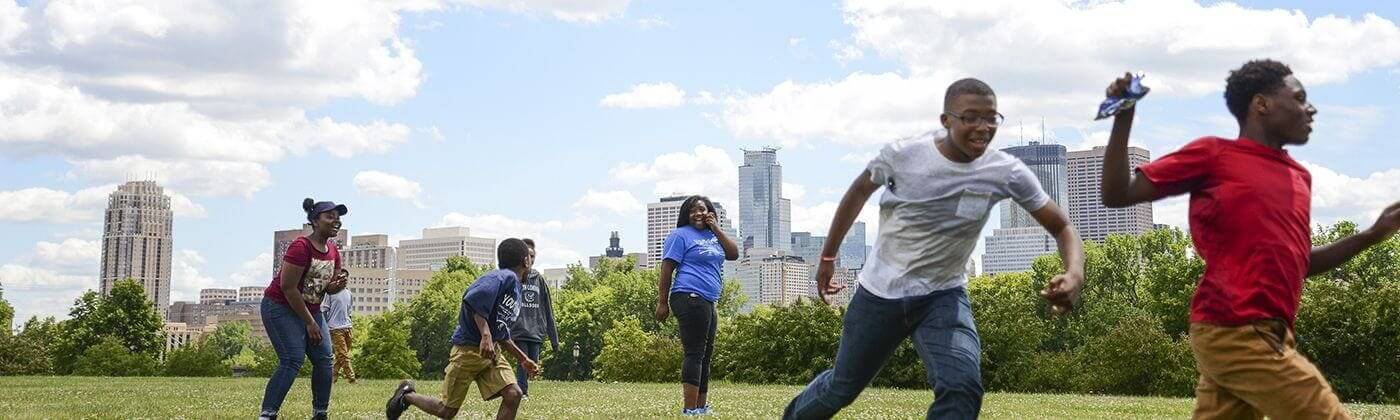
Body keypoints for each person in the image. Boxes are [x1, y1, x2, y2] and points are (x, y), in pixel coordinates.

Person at [1099, 59, 1400, 420]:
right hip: (1234, 328)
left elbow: (1298, 262)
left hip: (1271, 330)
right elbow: (1117, 193)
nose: (1311, 108)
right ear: (1261, 104)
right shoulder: (1214, 155)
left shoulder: (1299, 177)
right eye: (1300, 98)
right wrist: (1124, 118)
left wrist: (1371, 235)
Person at [784, 78, 1085, 420]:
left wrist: (1075, 273)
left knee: (962, 385)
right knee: (841, 388)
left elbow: (1062, 226)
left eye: (991, 118)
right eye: (970, 117)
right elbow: (858, 192)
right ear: (946, 120)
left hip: (942, 297)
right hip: (880, 295)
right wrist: (828, 257)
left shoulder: (1005, 172)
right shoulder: (904, 155)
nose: (983, 127)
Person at [386, 238, 541, 420]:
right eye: (530, 258)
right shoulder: (503, 277)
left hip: (491, 354)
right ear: (525, 261)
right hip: (467, 352)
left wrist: (523, 359)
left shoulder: (514, 287)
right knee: (446, 411)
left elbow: (501, 332)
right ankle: (407, 395)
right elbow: (474, 298)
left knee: (514, 394)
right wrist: (485, 335)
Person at [259, 198, 349, 420]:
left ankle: (320, 414)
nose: (336, 221)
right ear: (315, 221)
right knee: (292, 359)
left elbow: (323, 288)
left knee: (324, 359)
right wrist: (310, 323)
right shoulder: (301, 246)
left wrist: (335, 287)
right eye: (329, 216)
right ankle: (267, 414)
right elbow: (288, 288)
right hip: (280, 306)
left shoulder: (333, 251)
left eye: (338, 217)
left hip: (311, 308)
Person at [654, 195, 740, 416]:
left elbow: (733, 254)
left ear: (710, 212)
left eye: (702, 209)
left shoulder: (713, 236)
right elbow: (667, 268)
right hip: (689, 296)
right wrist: (662, 302)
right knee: (695, 353)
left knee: (706, 355)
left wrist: (716, 228)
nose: (697, 213)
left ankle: (701, 407)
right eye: (692, 210)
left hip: (708, 300)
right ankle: (689, 409)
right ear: (686, 215)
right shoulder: (680, 235)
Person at [508, 238, 559, 399]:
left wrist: (554, 339)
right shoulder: (513, 277)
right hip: (519, 329)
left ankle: (518, 387)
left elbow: (548, 309)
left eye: (533, 256)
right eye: (527, 255)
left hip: (536, 330)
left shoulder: (539, 279)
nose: (530, 259)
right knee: (523, 360)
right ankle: (522, 392)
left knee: (533, 362)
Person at [322, 267, 356, 384]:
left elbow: (349, 312)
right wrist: (324, 328)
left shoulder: (349, 294)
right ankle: (351, 378)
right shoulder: (330, 294)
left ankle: (332, 377)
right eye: (340, 276)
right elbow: (324, 310)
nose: (343, 279)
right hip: (335, 328)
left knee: (342, 355)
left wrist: (351, 325)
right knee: (343, 355)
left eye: (345, 277)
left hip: (348, 327)